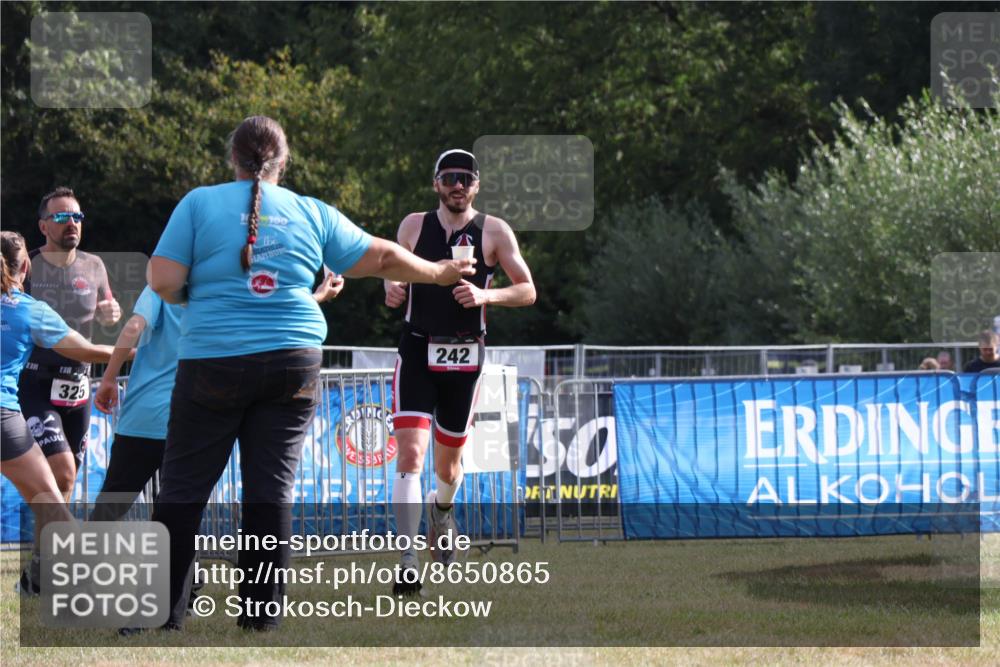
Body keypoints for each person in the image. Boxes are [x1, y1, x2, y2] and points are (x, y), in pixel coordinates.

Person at [146, 115, 475, 633]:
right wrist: (436, 271)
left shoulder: (198, 204)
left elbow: (163, 280)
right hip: (293, 361)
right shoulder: (310, 211)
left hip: (212, 358)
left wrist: (200, 296)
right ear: (284, 161)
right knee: (270, 490)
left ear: (232, 158)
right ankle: (261, 619)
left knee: (184, 488)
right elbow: (381, 257)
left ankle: (160, 614)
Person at [383, 148, 535, 594]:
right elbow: (391, 268)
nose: (457, 185)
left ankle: (442, 511)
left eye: (465, 179)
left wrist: (487, 297)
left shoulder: (494, 231)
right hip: (416, 350)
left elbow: (528, 289)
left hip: (465, 357)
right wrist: (391, 286)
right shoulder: (414, 226)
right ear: (436, 183)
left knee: (448, 470)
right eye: (449, 177)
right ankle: (408, 561)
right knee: (410, 455)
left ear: (476, 186)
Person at [1, 231, 117, 595]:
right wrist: (136, 352)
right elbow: (86, 351)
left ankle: (40, 579)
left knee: (60, 485)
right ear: (26, 267)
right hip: (4, 418)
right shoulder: (28, 309)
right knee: (53, 507)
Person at [18, 186, 122, 504]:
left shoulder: (94, 266)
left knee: (67, 479)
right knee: (61, 471)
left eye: (77, 216)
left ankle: (44, 537)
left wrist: (111, 314)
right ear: (43, 226)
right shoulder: (27, 266)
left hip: (79, 386)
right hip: (35, 382)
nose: (72, 223)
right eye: (62, 217)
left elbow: (107, 311)